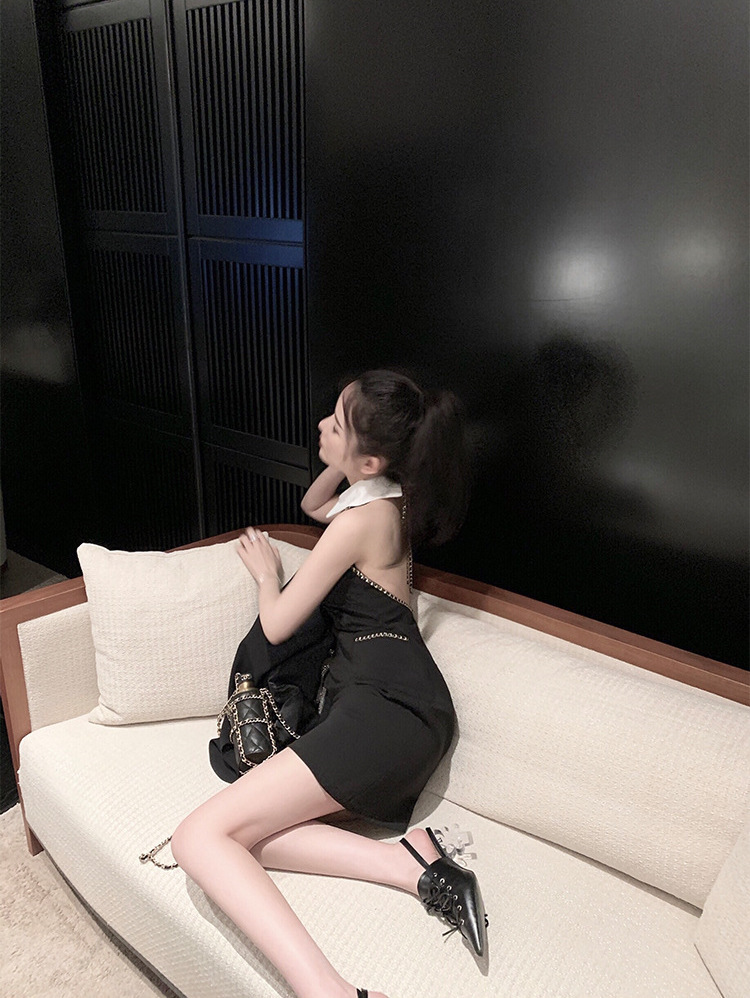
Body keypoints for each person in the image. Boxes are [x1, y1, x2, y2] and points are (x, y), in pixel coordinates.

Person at [170, 370, 486, 998]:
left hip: (386, 709)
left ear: (370, 460)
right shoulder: (388, 498)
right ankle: (410, 861)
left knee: (197, 836)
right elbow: (315, 507)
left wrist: (268, 575)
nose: (320, 425)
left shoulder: (362, 519)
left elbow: (278, 624)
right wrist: (346, 459)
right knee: (245, 838)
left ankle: (328, 992)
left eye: (335, 424)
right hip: (397, 706)